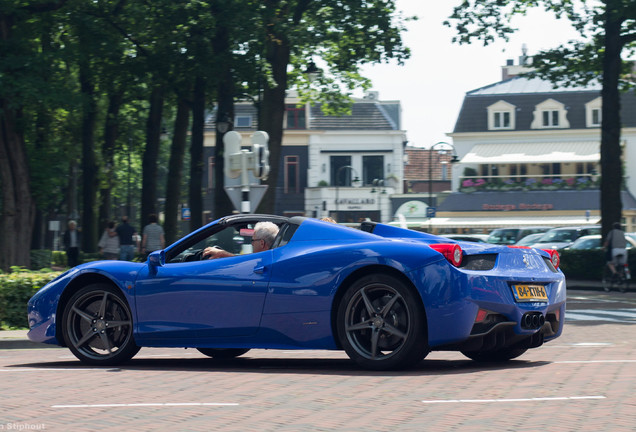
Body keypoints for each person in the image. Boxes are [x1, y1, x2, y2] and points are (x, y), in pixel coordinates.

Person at [202, 221, 279, 259]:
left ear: (262, 243)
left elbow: (246, 264)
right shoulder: (276, 257)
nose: (252, 244)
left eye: (253, 241)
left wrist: (222, 254)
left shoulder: (264, 261)